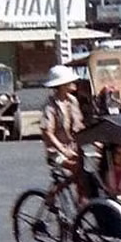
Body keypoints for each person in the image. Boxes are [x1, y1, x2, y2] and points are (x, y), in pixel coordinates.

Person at [41, 64, 85, 194]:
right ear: (61, 85)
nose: (73, 83)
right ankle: (53, 193)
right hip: (57, 152)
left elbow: (79, 125)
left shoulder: (73, 101)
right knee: (77, 169)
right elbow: (47, 132)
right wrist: (63, 150)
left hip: (73, 148)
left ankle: (82, 204)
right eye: (69, 82)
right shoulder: (50, 106)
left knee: (93, 168)